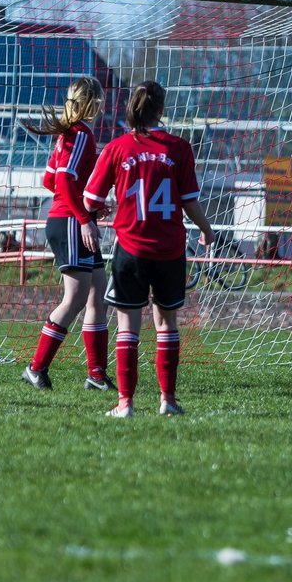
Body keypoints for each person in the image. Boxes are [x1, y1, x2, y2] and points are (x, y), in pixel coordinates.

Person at [83, 81, 216, 417]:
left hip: (131, 249)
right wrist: (206, 229)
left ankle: (125, 403)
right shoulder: (179, 148)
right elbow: (189, 202)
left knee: (128, 326)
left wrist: (100, 212)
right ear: (161, 109)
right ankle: (167, 401)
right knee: (166, 324)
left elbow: (90, 199)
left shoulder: (117, 148)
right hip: (170, 250)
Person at [22, 77, 113, 393]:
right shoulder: (81, 134)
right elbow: (62, 181)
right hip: (70, 223)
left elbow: (51, 180)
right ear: (94, 103)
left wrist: (91, 207)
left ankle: (97, 375)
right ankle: (36, 368)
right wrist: (82, 217)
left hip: (73, 219)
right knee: (75, 298)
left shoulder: (67, 135)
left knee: (97, 292)